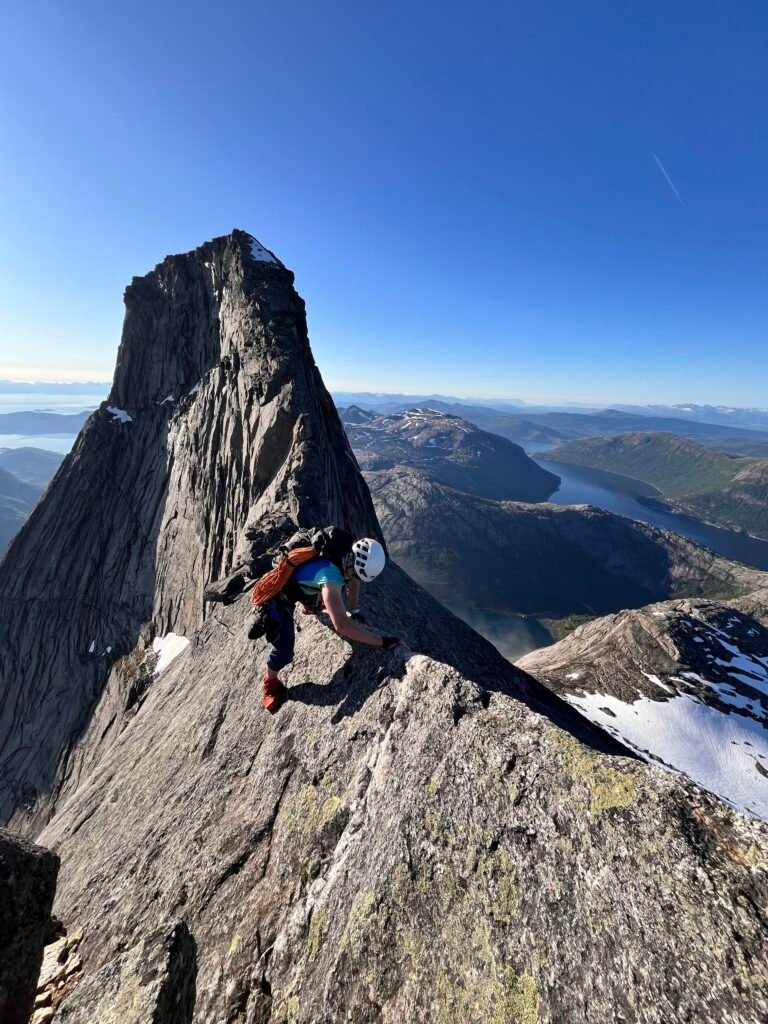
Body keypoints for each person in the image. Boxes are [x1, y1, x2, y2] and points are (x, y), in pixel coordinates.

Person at [261, 537, 398, 712]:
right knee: (284, 648)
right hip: (280, 594)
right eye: (355, 573)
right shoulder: (331, 576)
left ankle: (311, 604)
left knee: (327, 596)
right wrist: (382, 641)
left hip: (303, 584)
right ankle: (269, 682)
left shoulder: (349, 557)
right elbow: (342, 625)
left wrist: (355, 612)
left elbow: (354, 580)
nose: (354, 577)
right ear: (352, 561)